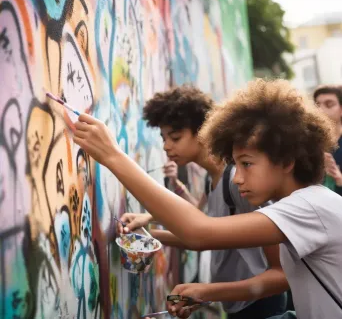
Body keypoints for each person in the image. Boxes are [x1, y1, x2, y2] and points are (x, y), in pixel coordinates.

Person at [73, 79, 342, 319]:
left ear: (286, 161)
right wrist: (207, 293)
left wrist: (112, 156)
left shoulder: (309, 207)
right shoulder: (306, 205)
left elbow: (199, 232)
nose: (237, 177)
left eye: (247, 164)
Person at [117, 85, 288, 318]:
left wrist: (208, 292)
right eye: (163, 138)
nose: (166, 145)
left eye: (175, 137)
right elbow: (195, 231)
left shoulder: (237, 183)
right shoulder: (212, 179)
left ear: (203, 132)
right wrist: (148, 228)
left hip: (262, 305)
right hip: (239, 304)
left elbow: (279, 270)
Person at [314, 85, 342, 195]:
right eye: (317, 105)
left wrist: (338, 177)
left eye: (329, 104)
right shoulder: (309, 144)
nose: (320, 109)